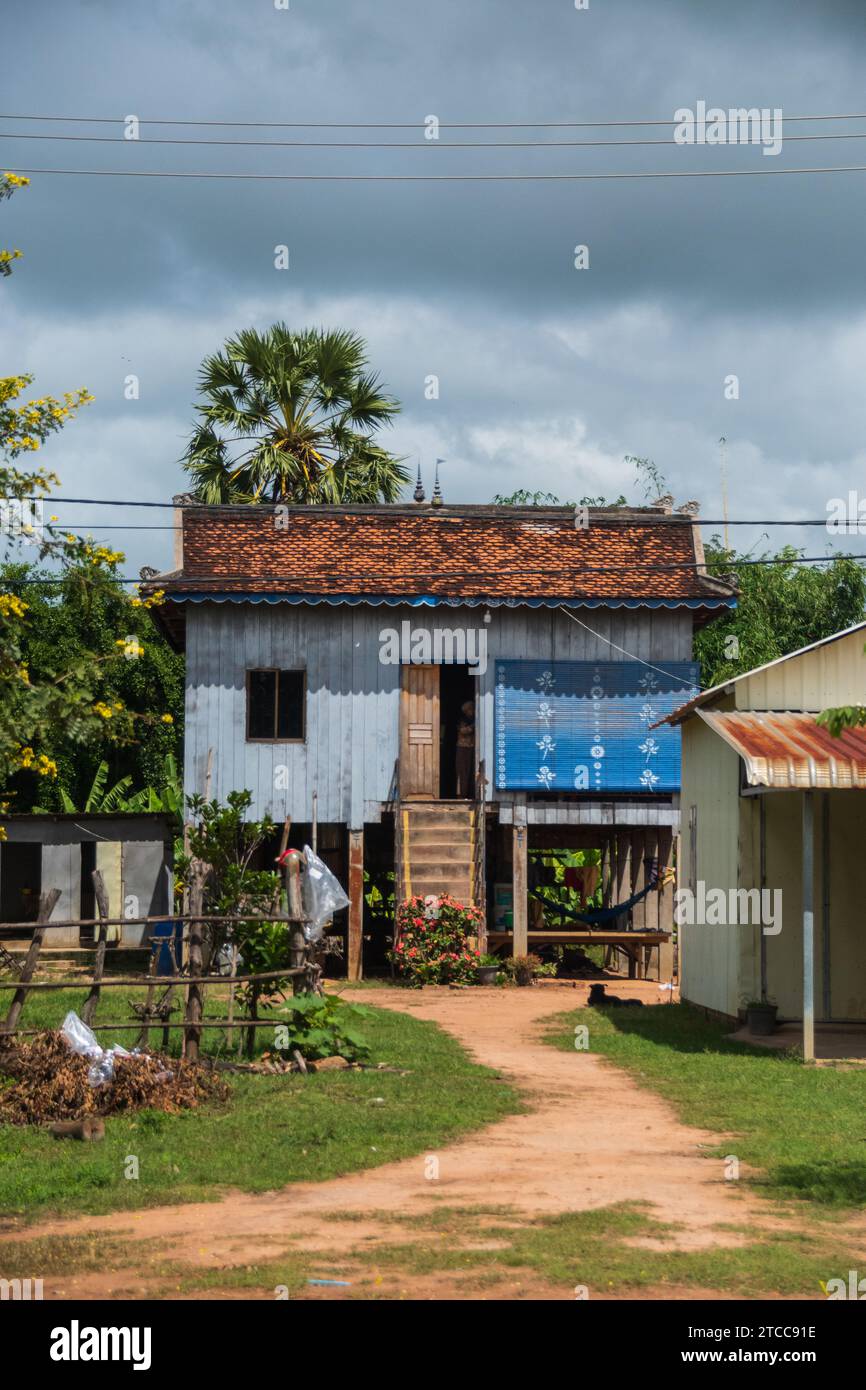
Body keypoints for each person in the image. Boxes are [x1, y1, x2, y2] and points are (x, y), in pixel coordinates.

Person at [455, 699, 475, 798]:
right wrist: (473, 726)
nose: (472, 711)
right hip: (462, 748)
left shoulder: (473, 720)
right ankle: (461, 795)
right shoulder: (462, 720)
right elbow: (463, 731)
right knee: (462, 772)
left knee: (471, 772)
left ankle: (469, 794)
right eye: (470, 709)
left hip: (471, 748)